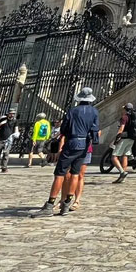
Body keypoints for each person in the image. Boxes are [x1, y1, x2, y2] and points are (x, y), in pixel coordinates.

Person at [32, 88, 100, 217]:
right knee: (75, 173)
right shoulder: (94, 112)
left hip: (72, 143)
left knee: (60, 173)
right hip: (84, 145)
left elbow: (64, 129)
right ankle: (67, 204)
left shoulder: (73, 111)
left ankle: (50, 204)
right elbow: (95, 130)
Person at [112, 103, 136, 183]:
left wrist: (117, 137)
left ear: (125, 109)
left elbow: (121, 128)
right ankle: (123, 176)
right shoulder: (134, 116)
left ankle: (122, 172)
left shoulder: (125, 117)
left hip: (124, 138)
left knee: (114, 156)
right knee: (125, 155)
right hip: (132, 138)